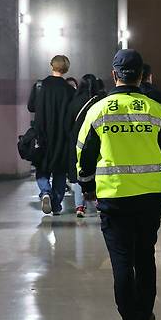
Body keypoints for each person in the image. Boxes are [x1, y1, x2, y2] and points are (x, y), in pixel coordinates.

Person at [77, 49, 161, 320]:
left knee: (122, 261)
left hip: (114, 197)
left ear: (114, 75)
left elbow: (83, 152)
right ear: (142, 76)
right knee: (146, 256)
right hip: (150, 196)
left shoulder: (98, 109)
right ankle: (144, 316)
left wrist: (87, 187)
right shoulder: (156, 109)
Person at [27, 55, 76, 215]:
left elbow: (31, 107)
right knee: (60, 172)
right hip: (62, 136)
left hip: (42, 134)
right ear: (66, 69)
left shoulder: (39, 86)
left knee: (42, 168)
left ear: (51, 66)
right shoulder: (70, 90)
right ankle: (56, 205)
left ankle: (45, 192)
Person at [66, 74, 106, 218]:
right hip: (97, 141)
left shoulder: (74, 102)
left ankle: (79, 206)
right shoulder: (101, 102)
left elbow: (67, 125)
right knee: (98, 172)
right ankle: (99, 203)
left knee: (79, 173)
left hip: (78, 143)